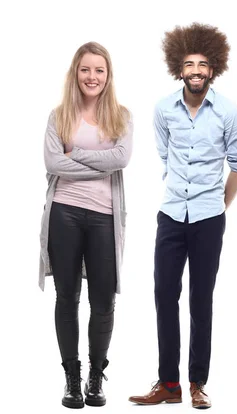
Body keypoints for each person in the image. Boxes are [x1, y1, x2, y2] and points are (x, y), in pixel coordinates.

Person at [128, 23, 237, 409]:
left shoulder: (228, 111)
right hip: (170, 215)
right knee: (164, 294)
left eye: (202, 64)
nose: (196, 71)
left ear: (213, 69)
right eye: (188, 64)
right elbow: (165, 156)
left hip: (209, 217)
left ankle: (197, 383)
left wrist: (220, 206)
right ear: (178, 69)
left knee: (201, 299)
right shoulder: (163, 109)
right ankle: (168, 384)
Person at [39, 41, 133, 409]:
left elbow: (121, 158)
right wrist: (99, 161)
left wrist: (74, 152)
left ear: (108, 76)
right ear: (75, 73)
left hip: (105, 217)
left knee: (104, 301)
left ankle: (96, 375)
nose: (91, 76)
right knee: (67, 298)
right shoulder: (58, 115)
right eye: (85, 69)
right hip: (64, 212)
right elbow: (52, 164)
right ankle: (72, 378)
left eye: (99, 70)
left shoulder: (122, 117)